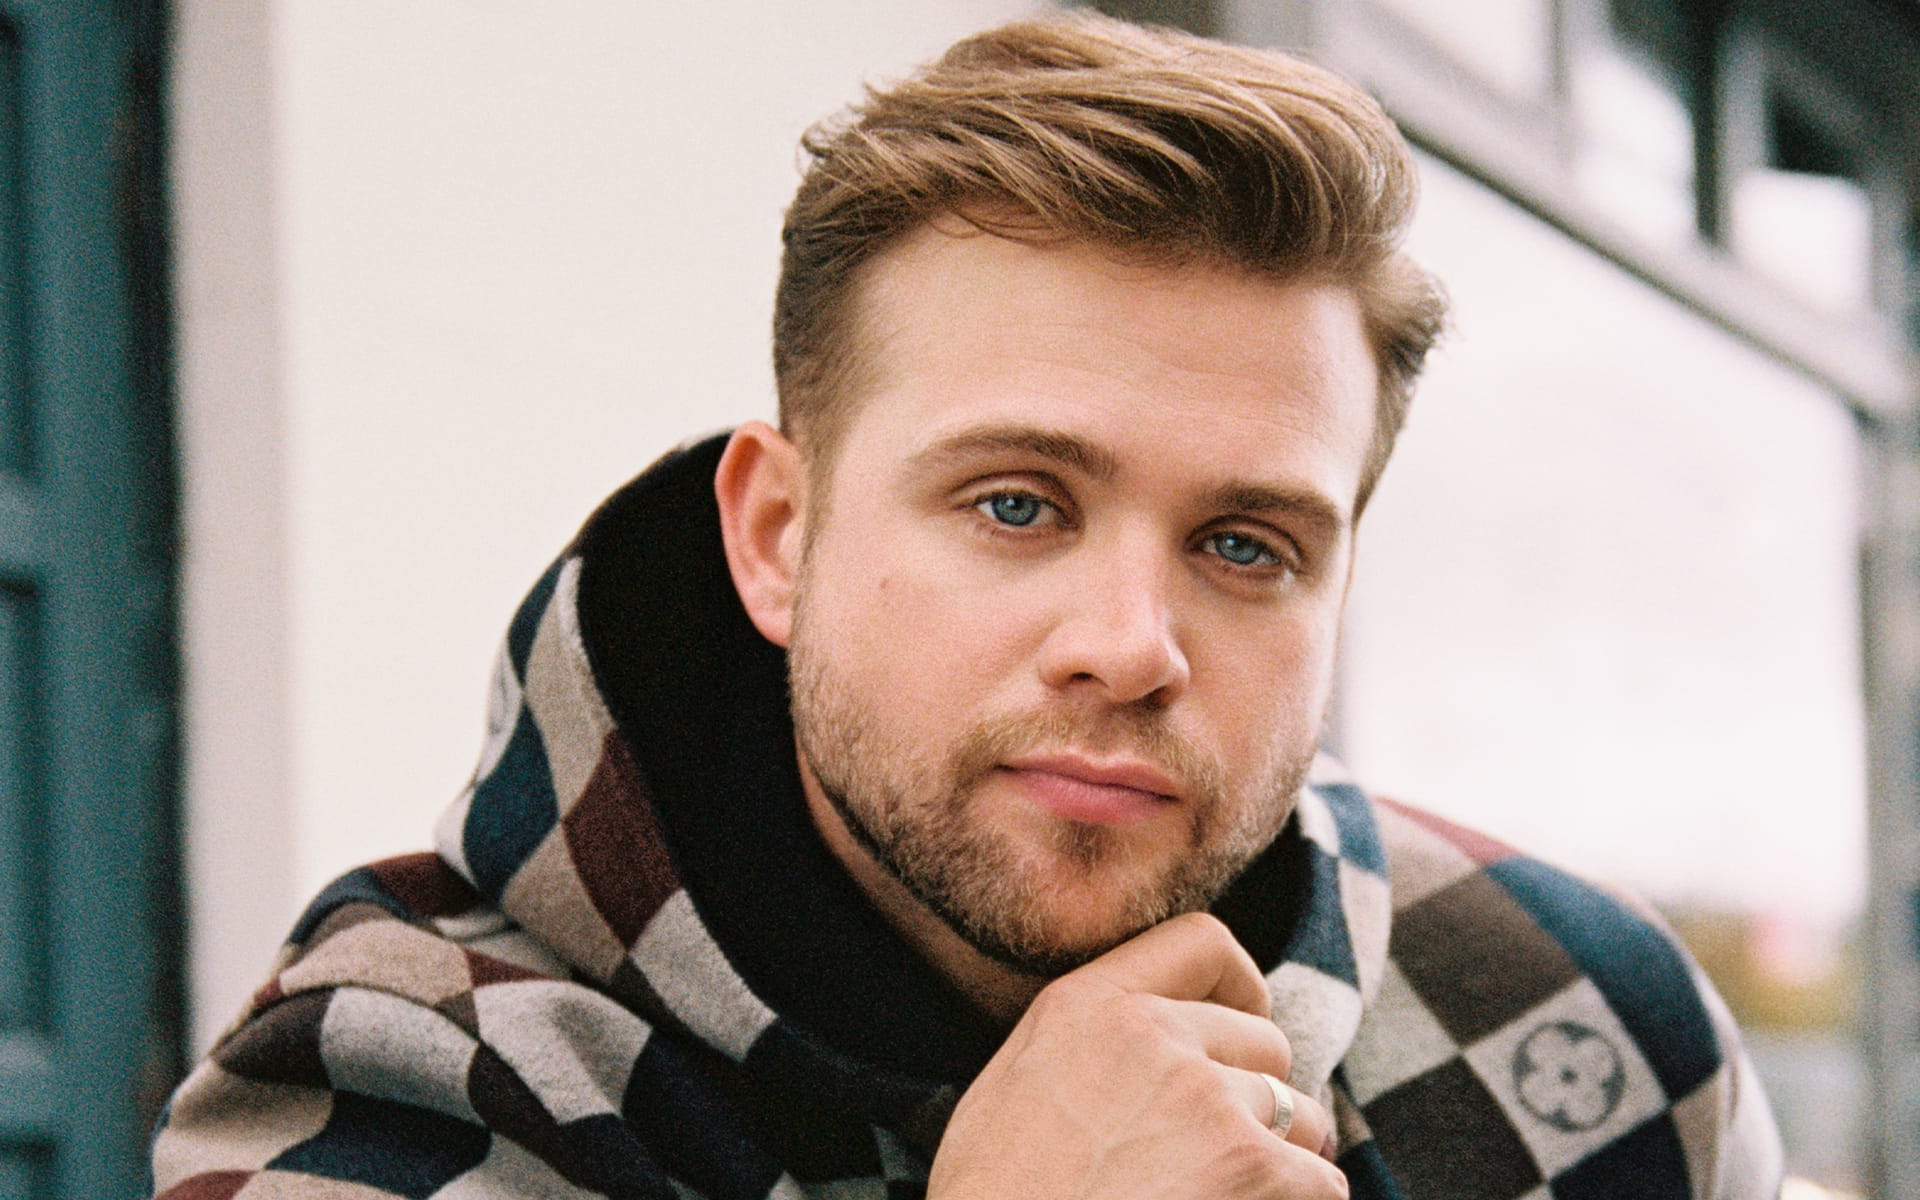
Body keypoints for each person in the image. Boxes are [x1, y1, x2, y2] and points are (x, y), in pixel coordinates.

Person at [151, 13, 1782, 1200]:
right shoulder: (413, 1086)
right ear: (779, 535)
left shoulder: (1579, 1023)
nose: (1134, 645)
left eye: (1246, 546)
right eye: (1017, 505)